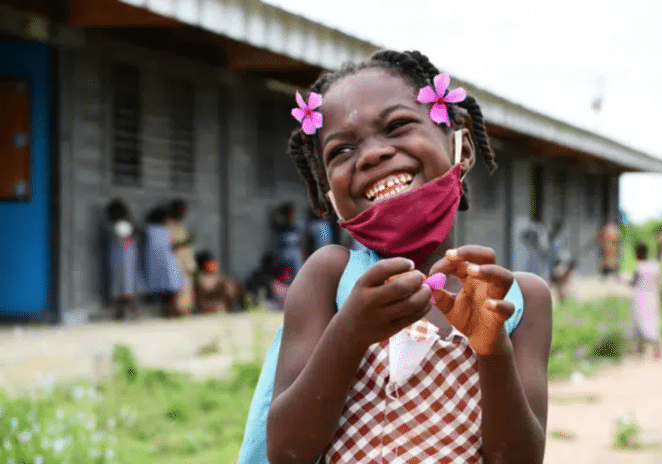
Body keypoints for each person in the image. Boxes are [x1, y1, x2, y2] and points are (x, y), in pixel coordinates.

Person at [239, 50, 552, 463]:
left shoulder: (520, 298)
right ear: (326, 193)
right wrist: (348, 333)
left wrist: (492, 351)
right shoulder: (330, 279)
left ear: (463, 147)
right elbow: (287, 454)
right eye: (341, 150)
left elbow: (519, 459)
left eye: (397, 125)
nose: (371, 155)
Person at [105, 199, 144, 320]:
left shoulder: (118, 224)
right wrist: (130, 220)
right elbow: (134, 233)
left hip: (125, 258)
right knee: (124, 286)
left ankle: (122, 312)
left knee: (125, 286)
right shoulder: (119, 225)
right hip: (122, 260)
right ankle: (128, 310)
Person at [143, 206, 185, 316]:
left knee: (172, 287)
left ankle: (172, 309)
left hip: (165, 260)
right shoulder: (151, 230)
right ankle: (170, 310)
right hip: (163, 261)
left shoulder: (160, 230)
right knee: (170, 287)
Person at [630, 242, 662, 359]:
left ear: (641, 252)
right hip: (652, 298)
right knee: (653, 322)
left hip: (641, 298)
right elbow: (659, 283)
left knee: (640, 322)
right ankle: (656, 350)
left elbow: (633, 282)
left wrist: (622, 280)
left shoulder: (639, 266)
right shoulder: (654, 265)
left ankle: (641, 349)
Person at [168, 199, 197, 316]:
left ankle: (186, 311)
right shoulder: (168, 224)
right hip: (176, 262)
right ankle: (176, 312)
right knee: (177, 288)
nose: (182, 213)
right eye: (180, 210)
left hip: (186, 262)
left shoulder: (181, 224)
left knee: (188, 288)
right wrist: (185, 241)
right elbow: (170, 244)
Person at [598, 214, 621, 278]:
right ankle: (605, 274)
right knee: (605, 262)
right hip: (606, 248)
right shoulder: (604, 228)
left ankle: (615, 274)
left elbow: (617, 238)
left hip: (612, 248)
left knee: (613, 261)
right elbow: (600, 237)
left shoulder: (613, 228)